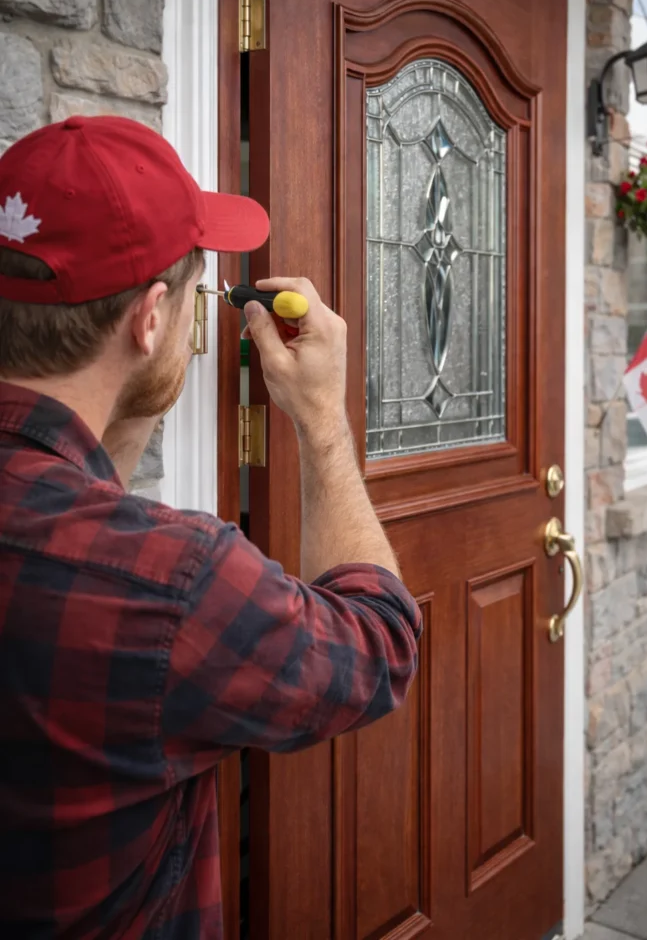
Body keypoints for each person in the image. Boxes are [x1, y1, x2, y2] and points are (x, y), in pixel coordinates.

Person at [0, 116, 421, 939]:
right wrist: (322, 422)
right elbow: (380, 645)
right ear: (151, 320)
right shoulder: (168, 582)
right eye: (194, 296)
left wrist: (124, 404)